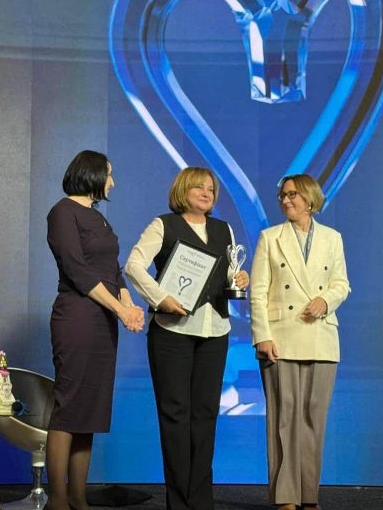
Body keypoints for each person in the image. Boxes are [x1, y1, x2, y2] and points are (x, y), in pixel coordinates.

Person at [124, 167, 249, 510]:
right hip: (172, 333)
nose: (207, 193)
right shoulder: (163, 225)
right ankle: (179, 503)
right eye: (199, 187)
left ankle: (201, 501)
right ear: (183, 190)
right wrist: (159, 298)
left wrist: (239, 278)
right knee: (175, 417)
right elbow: (133, 265)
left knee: (206, 416)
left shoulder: (223, 229)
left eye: (211, 189)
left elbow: (226, 275)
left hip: (215, 331)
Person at [45, 150, 144, 510]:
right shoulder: (62, 212)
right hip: (77, 318)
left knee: (90, 410)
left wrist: (129, 305)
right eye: (109, 174)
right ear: (92, 174)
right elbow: (78, 270)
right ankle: (58, 501)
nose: (112, 182)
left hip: (103, 321)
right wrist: (121, 309)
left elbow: (112, 269)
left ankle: (78, 499)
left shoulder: (98, 217)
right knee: (70, 407)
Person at [249, 174, 350, 510]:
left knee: (314, 420)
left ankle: (309, 496)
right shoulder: (270, 237)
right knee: (284, 418)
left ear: (310, 199)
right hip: (281, 337)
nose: (285, 200)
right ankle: (285, 497)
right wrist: (262, 335)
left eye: (292, 194)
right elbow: (258, 291)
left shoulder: (332, 238)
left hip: (321, 336)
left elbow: (341, 284)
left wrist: (326, 301)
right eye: (282, 195)